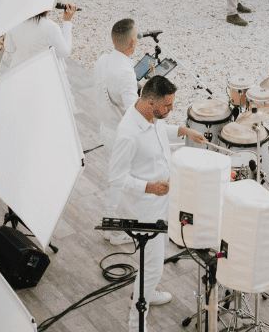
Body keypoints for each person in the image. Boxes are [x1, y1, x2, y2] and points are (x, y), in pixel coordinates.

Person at [110, 76, 206, 329]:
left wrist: (184, 131)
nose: (171, 109)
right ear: (151, 102)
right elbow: (116, 178)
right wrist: (150, 187)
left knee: (157, 255)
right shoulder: (128, 134)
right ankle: (136, 323)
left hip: (161, 200)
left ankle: (147, 293)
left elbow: (159, 130)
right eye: (168, 105)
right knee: (153, 267)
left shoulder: (150, 116)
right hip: (145, 209)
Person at [94, 18, 140, 244]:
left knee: (117, 181)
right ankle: (117, 232)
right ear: (132, 43)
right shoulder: (126, 73)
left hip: (106, 128)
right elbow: (134, 114)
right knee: (124, 184)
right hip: (120, 135)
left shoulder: (103, 60)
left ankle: (110, 226)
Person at [2, 2, 77, 112]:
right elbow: (64, 52)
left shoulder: (16, 20)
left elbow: (9, 47)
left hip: (18, 71)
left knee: (19, 109)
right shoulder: (51, 27)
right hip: (42, 76)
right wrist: (67, 22)